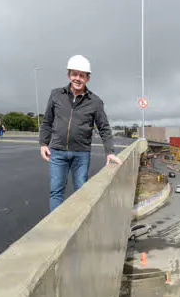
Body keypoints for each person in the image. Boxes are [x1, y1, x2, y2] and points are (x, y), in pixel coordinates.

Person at [39, 55, 122, 212]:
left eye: (81, 75)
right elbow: (47, 122)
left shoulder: (95, 102)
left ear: (87, 78)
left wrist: (110, 152)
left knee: (82, 193)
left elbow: (104, 128)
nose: (77, 78)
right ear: (69, 75)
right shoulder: (56, 95)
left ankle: (79, 228)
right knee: (56, 192)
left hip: (81, 154)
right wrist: (43, 143)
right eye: (74, 74)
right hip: (57, 152)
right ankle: (58, 231)